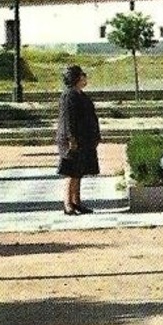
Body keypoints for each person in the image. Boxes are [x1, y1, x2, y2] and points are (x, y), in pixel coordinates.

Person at [55, 64, 100, 216]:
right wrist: (71, 138)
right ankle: (68, 204)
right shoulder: (69, 95)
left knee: (79, 172)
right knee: (72, 172)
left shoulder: (80, 95)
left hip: (84, 139)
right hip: (73, 140)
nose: (85, 77)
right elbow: (67, 119)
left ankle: (76, 202)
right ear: (76, 78)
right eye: (82, 75)